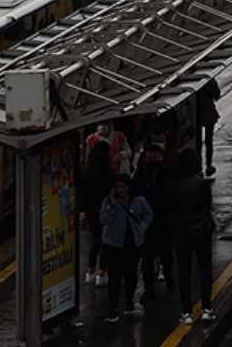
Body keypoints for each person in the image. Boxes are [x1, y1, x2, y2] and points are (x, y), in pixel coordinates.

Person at [133, 124, 178, 302]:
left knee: (164, 256)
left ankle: (169, 282)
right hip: (149, 223)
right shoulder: (143, 173)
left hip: (162, 220)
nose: (153, 157)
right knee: (148, 259)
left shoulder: (165, 172)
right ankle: (151, 288)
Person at [100, 174, 153, 323]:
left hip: (132, 244)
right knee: (114, 278)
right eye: (117, 187)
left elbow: (148, 215)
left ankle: (128, 301)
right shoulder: (109, 202)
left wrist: (141, 228)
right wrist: (111, 204)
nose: (120, 190)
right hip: (113, 245)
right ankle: (113, 308)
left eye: (123, 186)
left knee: (131, 275)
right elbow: (104, 220)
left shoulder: (139, 200)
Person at [171, 148, 216, 325]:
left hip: (182, 233)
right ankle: (206, 308)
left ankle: (186, 311)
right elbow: (207, 205)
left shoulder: (175, 185)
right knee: (204, 270)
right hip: (201, 231)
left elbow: (172, 210)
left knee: (184, 272)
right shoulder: (202, 184)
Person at [82, 140, 114, 286]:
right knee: (105, 239)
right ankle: (102, 271)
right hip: (104, 208)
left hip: (90, 209)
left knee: (95, 238)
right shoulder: (107, 171)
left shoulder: (87, 171)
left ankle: (90, 270)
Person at [197, 80, 220, 177]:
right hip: (209, 112)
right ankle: (208, 165)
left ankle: (198, 166)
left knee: (197, 142)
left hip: (196, 113)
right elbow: (217, 95)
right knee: (208, 141)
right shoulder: (210, 80)